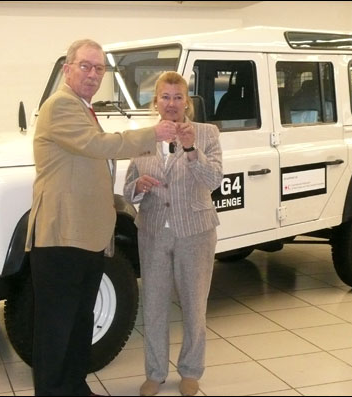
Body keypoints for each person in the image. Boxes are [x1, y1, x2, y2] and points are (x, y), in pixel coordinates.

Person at [24, 39, 177, 396]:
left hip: (85, 235)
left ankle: (74, 386)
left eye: (98, 68)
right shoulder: (61, 105)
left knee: (79, 320)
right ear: (67, 69)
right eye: (85, 66)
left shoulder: (82, 107)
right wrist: (152, 134)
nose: (93, 74)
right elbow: (99, 146)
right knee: (56, 326)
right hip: (62, 235)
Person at [123, 71, 223, 396]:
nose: (171, 103)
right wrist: (137, 187)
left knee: (194, 305)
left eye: (178, 97)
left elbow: (213, 181)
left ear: (187, 102)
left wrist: (192, 149)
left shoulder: (207, 134)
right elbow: (127, 188)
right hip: (152, 231)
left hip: (195, 231)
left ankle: (191, 371)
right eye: (165, 97)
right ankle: (155, 372)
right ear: (156, 102)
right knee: (153, 305)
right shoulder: (143, 138)